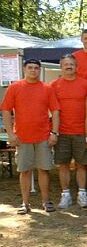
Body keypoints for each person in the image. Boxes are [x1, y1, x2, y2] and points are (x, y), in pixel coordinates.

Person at [1, 59, 60, 214]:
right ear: (24, 69)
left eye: (36, 68)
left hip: (43, 137)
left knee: (43, 169)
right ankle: (25, 203)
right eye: (30, 68)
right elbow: (6, 110)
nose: (33, 70)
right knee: (25, 171)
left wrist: (54, 133)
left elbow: (55, 111)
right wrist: (10, 134)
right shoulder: (15, 87)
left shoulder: (47, 88)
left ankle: (46, 201)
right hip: (22, 137)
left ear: (39, 70)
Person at [50, 54, 87, 209]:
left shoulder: (86, 84)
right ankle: (65, 195)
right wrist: (53, 132)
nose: (69, 66)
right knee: (63, 165)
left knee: (82, 165)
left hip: (81, 131)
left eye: (71, 64)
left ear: (76, 66)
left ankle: (82, 194)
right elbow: (52, 110)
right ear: (61, 67)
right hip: (62, 132)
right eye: (66, 64)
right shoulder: (54, 85)